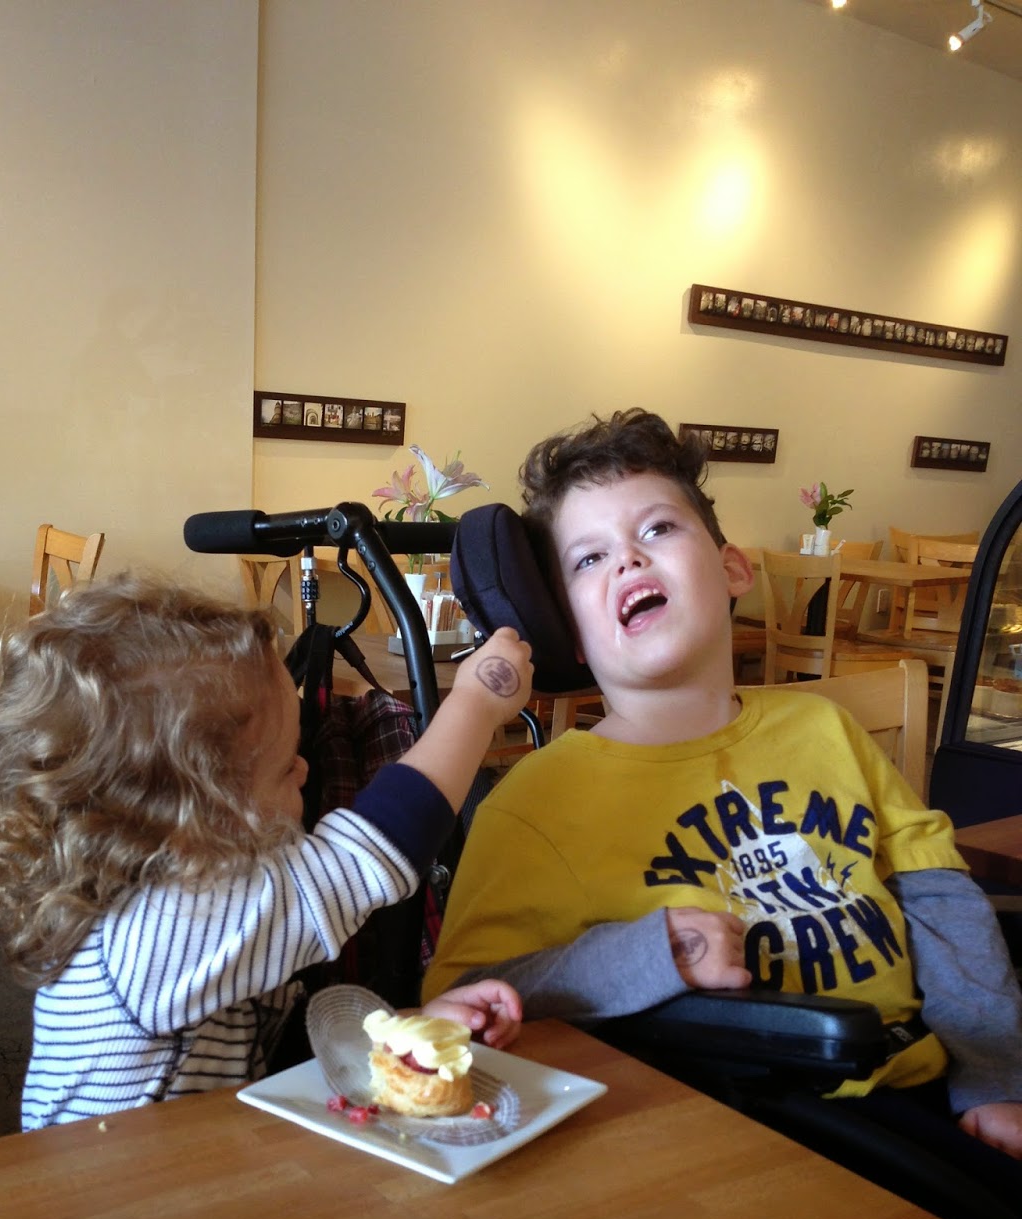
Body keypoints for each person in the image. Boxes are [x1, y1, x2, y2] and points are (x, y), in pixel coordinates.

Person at [423, 408, 1022, 1165]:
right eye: (589, 558)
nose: (628, 561)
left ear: (733, 569)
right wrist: (649, 955)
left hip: (933, 1089)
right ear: (565, 630)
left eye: (658, 529)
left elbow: (940, 903)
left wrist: (994, 1076)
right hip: (741, 1126)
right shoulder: (534, 803)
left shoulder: (825, 728)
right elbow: (463, 1002)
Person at [0, 572, 533, 1129]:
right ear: (193, 822)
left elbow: (277, 1049)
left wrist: (406, 1038)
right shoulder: (163, 926)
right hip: (117, 1202)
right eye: (285, 766)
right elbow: (368, 854)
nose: (305, 770)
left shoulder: (157, 892)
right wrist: (477, 702)